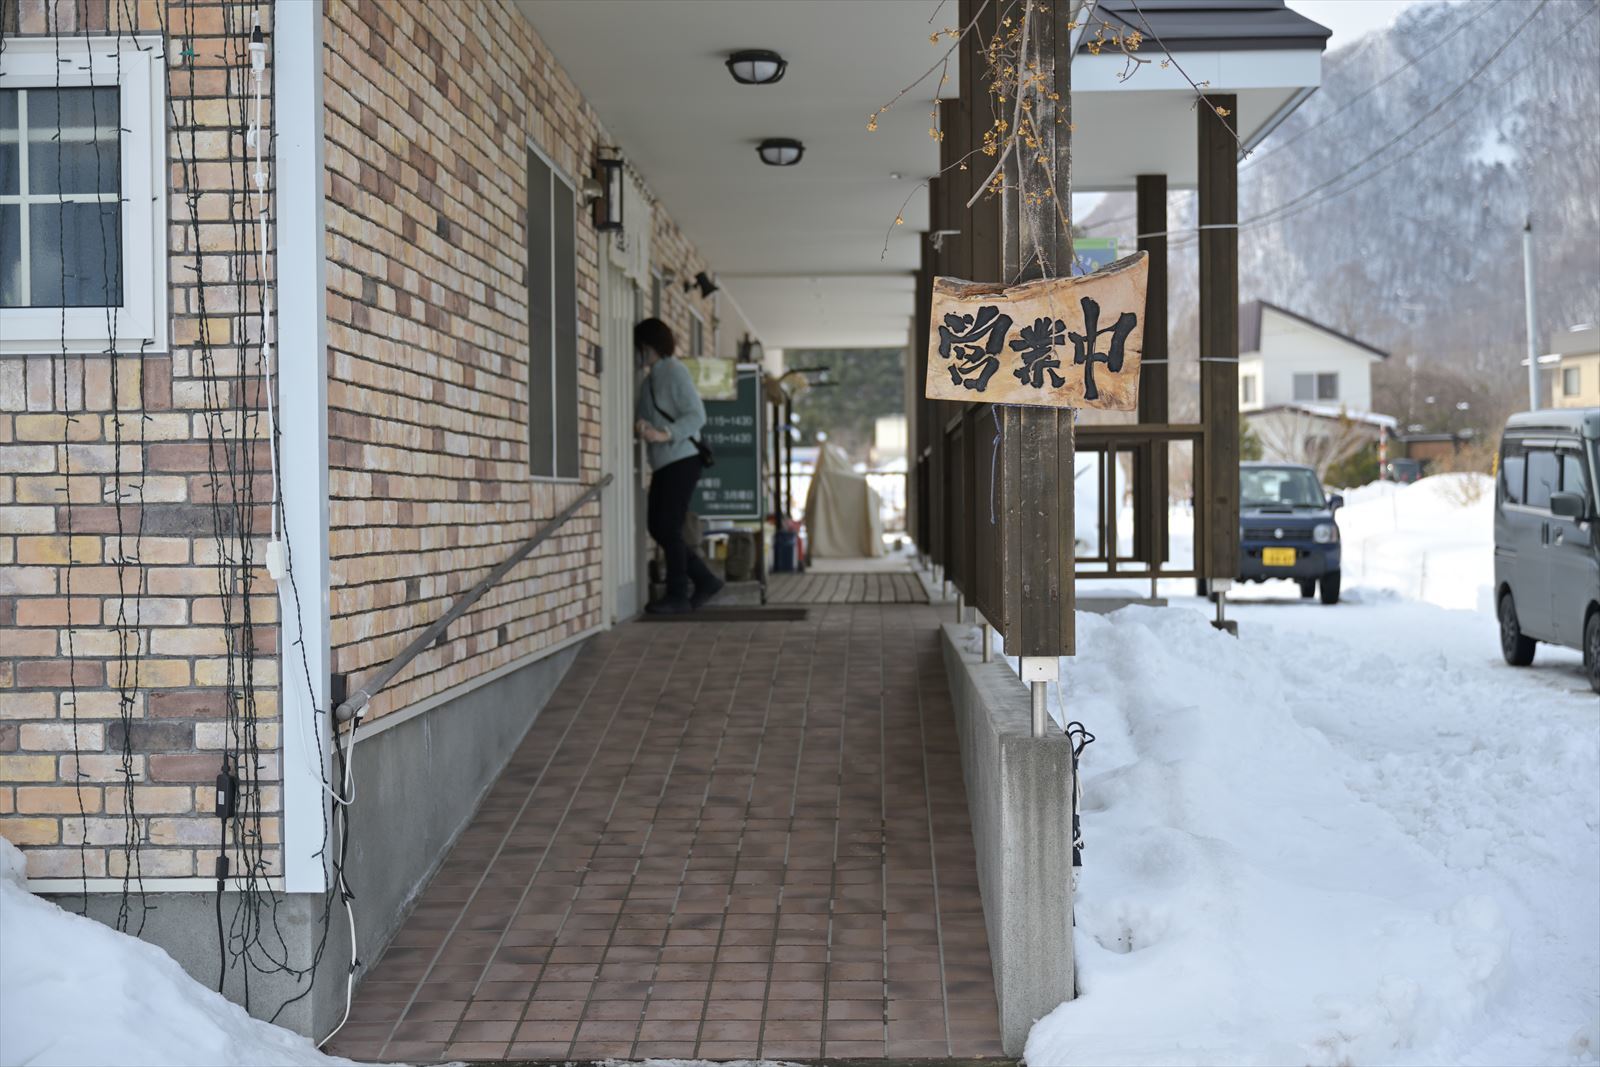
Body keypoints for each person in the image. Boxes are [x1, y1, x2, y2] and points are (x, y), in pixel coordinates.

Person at [634, 317, 723, 614]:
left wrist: (664, 434)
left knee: (667, 526)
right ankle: (704, 580)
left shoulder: (673, 370)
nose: (638, 354)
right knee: (658, 526)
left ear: (648, 346)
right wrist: (644, 427)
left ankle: (678, 594)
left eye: (640, 347)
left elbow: (697, 415)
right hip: (665, 462)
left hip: (682, 458)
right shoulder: (651, 379)